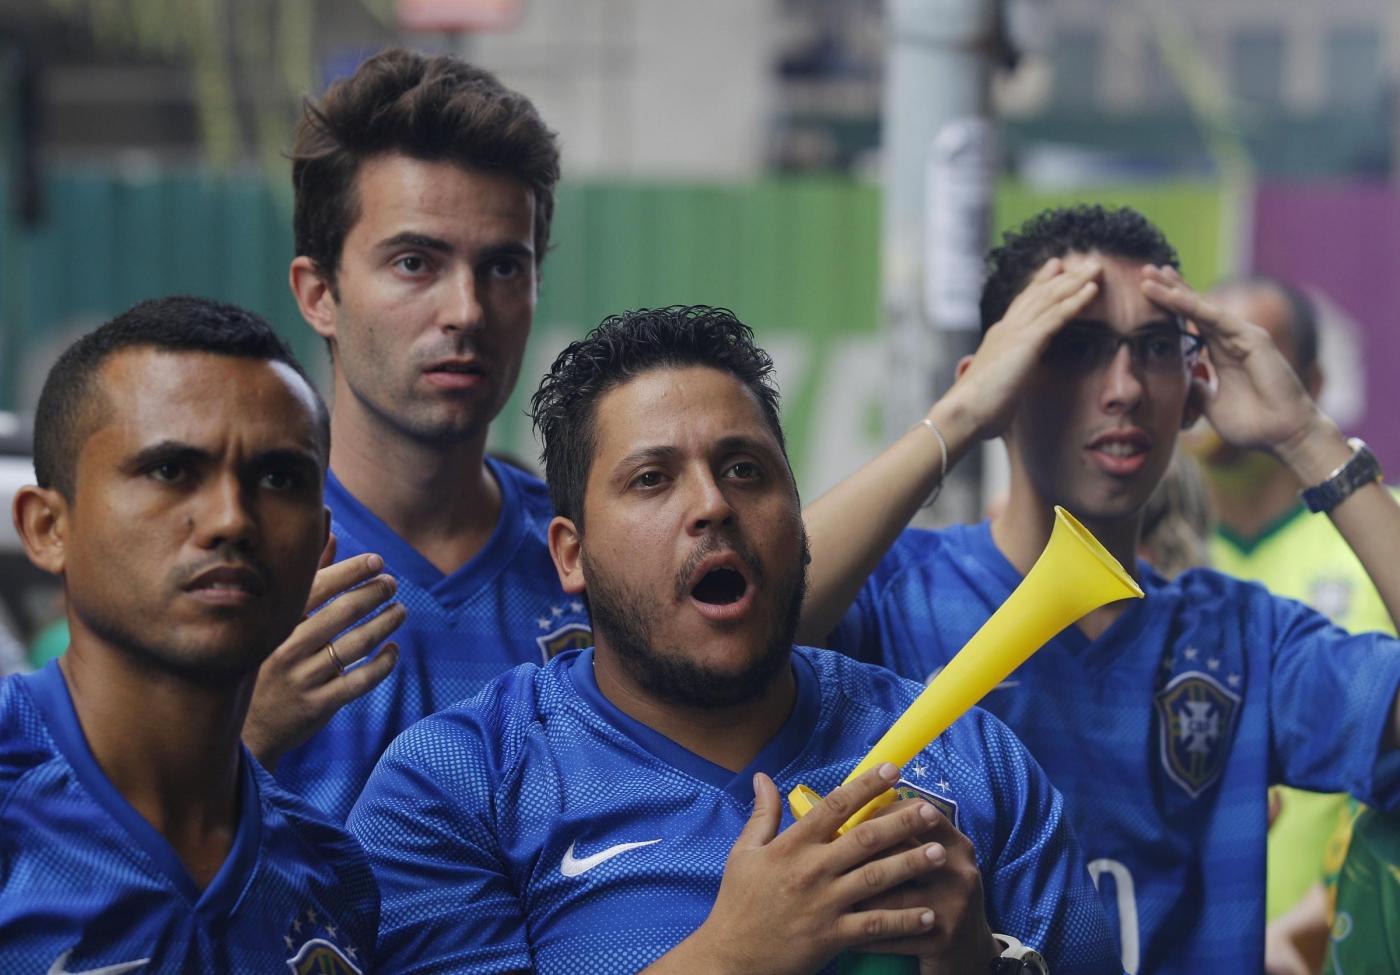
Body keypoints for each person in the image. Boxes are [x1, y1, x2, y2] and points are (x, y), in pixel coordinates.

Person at [347, 306, 1120, 974]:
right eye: (652, 478)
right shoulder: (454, 784)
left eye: (745, 469)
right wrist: (732, 955)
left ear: (799, 522)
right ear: (571, 555)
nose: (713, 504)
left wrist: (976, 962)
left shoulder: (977, 760)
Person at [799, 205, 1400, 974]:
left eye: (1156, 348)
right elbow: (753, 626)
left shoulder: (1244, 640)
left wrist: (1307, 439)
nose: (1124, 388)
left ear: (1192, 391)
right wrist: (957, 417)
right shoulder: (895, 597)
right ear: (1000, 376)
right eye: (1074, 346)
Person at [247, 47, 588, 822]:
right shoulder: (233, 563)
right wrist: (240, 731)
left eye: (503, 267)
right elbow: (98, 867)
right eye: (414, 262)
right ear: (319, 293)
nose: (466, 310)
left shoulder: (593, 567)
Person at [1, 297, 378, 971]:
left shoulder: (329, 872)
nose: (231, 519)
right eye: (171, 470)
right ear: (47, 527)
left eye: (278, 478)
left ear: (321, 544)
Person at [1194, 277, 1399, 934]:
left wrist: (1314, 918)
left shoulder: (1383, 529)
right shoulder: (1138, 553)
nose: (1214, 380)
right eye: (1195, 353)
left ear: (1308, 380)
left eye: (1244, 356)